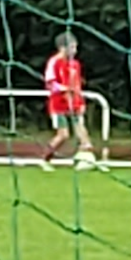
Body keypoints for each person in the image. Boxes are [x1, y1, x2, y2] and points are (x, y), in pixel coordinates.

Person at [42, 33, 97, 169]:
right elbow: (50, 83)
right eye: (72, 47)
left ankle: (87, 156)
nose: (75, 51)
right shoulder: (54, 62)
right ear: (62, 48)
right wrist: (64, 89)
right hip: (59, 104)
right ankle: (45, 159)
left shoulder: (75, 64)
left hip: (74, 103)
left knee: (81, 129)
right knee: (63, 135)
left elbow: (77, 85)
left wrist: (81, 101)